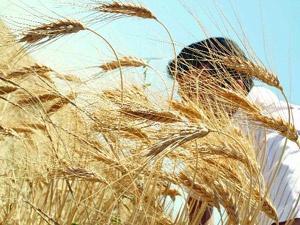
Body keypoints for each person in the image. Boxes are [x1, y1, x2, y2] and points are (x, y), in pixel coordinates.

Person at [167, 37, 300, 225]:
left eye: (195, 92)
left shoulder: (279, 136)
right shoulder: (222, 137)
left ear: (233, 86)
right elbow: (195, 189)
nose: (187, 105)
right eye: (184, 96)